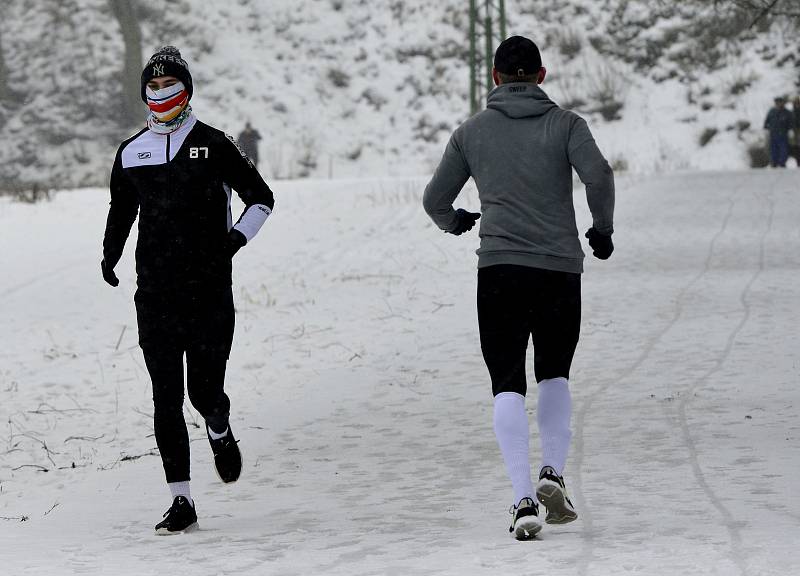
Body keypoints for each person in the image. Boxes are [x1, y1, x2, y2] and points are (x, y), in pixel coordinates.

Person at [422, 36, 614, 540]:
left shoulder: (472, 133)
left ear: (494, 76)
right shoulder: (567, 125)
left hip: (501, 271)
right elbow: (598, 174)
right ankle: (553, 471)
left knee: (506, 381)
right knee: (554, 373)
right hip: (557, 269)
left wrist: (455, 221)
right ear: (542, 76)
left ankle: (523, 500)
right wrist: (602, 228)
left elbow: (434, 199)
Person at [101, 46, 275, 534]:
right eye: (152, 87)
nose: (161, 93)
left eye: (169, 84)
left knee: (203, 390)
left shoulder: (215, 144)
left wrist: (235, 240)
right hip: (154, 293)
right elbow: (121, 211)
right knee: (165, 397)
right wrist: (110, 254)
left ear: (187, 88)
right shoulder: (131, 151)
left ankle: (218, 425)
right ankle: (182, 500)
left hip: (208, 290)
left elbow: (262, 198)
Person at [763, 96, 793, 167]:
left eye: (780, 102)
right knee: (773, 150)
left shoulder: (787, 112)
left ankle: (782, 163)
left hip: (783, 134)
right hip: (773, 134)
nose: (778, 104)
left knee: (783, 150)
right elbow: (767, 121)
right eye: (777, 102)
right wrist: (766, 128)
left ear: (782, 103)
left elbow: (791, 123)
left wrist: (790, 130)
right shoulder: (771, 111)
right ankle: (774, 163)